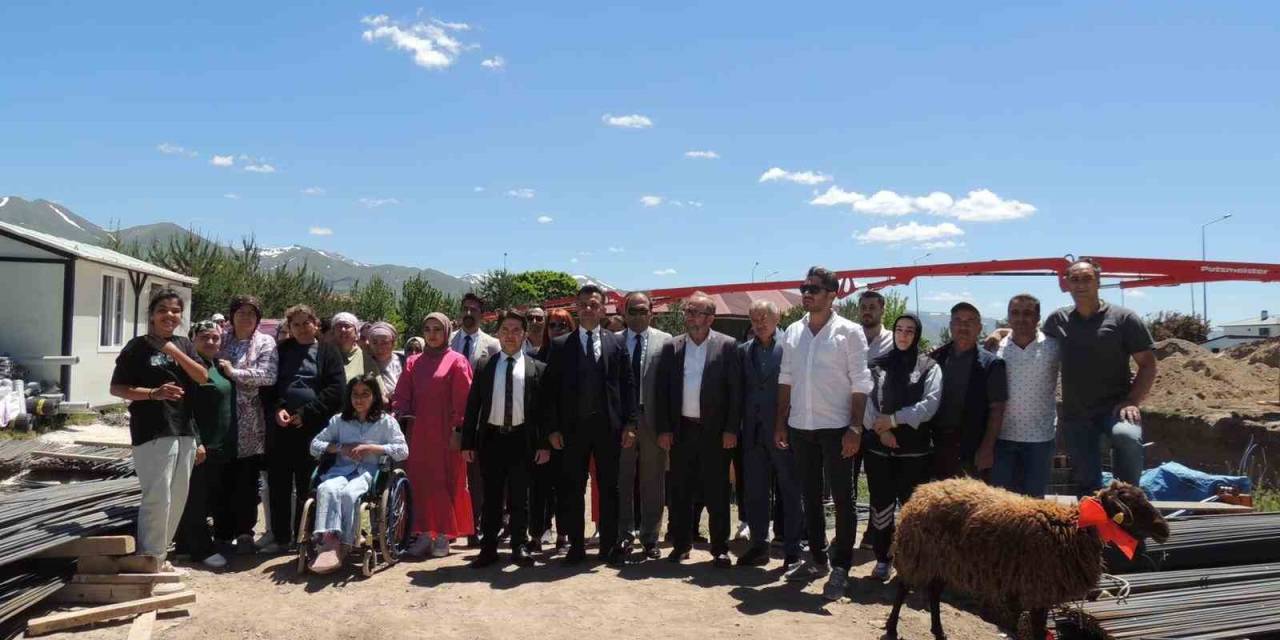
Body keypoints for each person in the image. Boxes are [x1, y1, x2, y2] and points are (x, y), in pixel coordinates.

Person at [774, 266, 871, 600]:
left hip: (838, 428)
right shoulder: (793, 331)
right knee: (810, 497)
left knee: (844, 500)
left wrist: (855, 428)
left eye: (814, 288)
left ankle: (841, 565)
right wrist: (780, 422)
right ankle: (817, 559)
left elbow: (861, 382)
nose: (807, 292)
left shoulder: (850, 332)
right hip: (801, 427)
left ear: (833, 295)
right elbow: (785, 377)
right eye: (804, 287)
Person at [109, 289, 210, 569]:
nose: (170, 315)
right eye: (163, 310)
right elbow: (117, 388)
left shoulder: (184, 345)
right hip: (152, 430)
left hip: (184, 430)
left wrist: (173, 351)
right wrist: (154, 393)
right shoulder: (136, 347)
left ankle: (160, 557)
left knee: (177, 498)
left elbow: (202, 377)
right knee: (157, 497)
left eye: (175, 311)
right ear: (151, 315)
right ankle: (147, 558)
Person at [542, 285, 638, 565]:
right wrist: (552, 429)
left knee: (610, 488)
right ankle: (575, 546)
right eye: (583, 304)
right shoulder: (560, 346)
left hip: (609, 428)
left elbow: (628, 386)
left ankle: (608, 546)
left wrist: (631, 423)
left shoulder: (617, 343)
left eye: (593, 304)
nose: (588, 309)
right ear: (576, 306)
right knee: (571, 488)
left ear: (602, 307)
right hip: (571, 430)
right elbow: (549, 392)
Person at [1044, 259, 1155, 494]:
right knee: (1087, 484)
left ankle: (1128, 496)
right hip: (1077, 414)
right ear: (1067, 284)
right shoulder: (1057, 320)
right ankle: (1094, 523)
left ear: (1098, 282)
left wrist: (1132, 400)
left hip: (1115, 409)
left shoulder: (1124, 319)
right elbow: (1035, 344)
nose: (1080, 284)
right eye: (1074, 279)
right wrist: (1005, 331)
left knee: (1126, 436)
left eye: (1087, 278)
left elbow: (1147, 365)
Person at [654, 292, 742, 568]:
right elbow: (662, 391)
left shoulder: (728, 346)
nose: (692, 318)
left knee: (717, 491)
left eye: (698, 313)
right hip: (682, 430)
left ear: (711, 318)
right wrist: (664, 429)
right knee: (680, 489)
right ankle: (680, 545)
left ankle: (720, 548)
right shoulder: (672, 347)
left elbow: (735, 393)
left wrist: (731, 429)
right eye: (689, 312)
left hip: (715, 432)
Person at [461, 311, 551, 567]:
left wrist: (543, 444)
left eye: (515, 330)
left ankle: (519, 546)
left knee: (520, 497)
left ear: (523, 335)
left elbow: (544, 412)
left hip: (523, 439)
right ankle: (488, 547)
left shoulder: (537, 369)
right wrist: (467, 442)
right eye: (505, 330)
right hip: (492, 439)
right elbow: (473, 406)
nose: (510, 335)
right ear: (498, 334)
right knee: (491, 496)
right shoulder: (484, 366)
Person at [862, 314, 941, 580]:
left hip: (914, 453)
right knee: (881, 505)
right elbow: (866, 402)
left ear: (916, 334)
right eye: (899, 329)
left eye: (909, 331)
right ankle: (883, 558)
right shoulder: (877, 365)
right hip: (879, 450)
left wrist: (895, 419)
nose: (903, 335)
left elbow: (929, 405)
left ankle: (910, 564)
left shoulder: (930, 367)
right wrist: (881, 431)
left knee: (912, 510)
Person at [262, 304, 346, 554]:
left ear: (316, 324)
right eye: (295, 324)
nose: (300, 328)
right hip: (281, 426)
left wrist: (306, 414)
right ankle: (280, 537)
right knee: (278, 483)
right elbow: (269, 384)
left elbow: (336, 389)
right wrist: (277, 408)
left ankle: (304, 535)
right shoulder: (281, 350)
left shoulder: (328, 352)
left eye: (305, 323)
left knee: (307, 482)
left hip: (313, 426)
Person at [307, 373, 409, 573]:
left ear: (374, 396)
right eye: (355, 394)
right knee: (326, 488)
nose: (359, 399)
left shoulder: (386, 422)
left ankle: (346, 541)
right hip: (340, 470)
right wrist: (340, 448)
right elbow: (314, 446)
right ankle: (328, 539)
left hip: (369, 473)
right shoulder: (339, 421)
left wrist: (372, 447)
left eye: (365, 394)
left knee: (349, 494)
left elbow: (403, 450)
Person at [393, 312, 475, 557]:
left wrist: (459, 431)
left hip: (446, 434)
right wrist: (401, 413)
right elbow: (402, 395)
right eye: (427, 329)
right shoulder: (413, 362)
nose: (432, 334)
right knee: (420, 482)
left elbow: (465, 401)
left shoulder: (457, 361)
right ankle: (423, 533)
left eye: (437, 329)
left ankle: (443, 535)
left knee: (446, 482)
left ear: (447, 332)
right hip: (418, 434)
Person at [737, 300, 804, 570]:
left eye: (764, 317)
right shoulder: (743, 352)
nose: (759, 322)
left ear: (778, 318)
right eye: (754, 318)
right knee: (755, 493)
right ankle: (758, 546)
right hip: (753, 434)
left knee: (790, 490)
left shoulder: (793, 348)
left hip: (784, 431)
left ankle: (792, 550)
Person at [215, 295, 277, 555]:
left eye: (252, 313)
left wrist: (234, 373)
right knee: (221, 478)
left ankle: (244, 532)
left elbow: (269, 376)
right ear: (231, 316)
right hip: (221, 420)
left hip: (250, 423)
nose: (246, 317)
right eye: (240, 312)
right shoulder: (221, 339)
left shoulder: (265, 342)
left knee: (246, 479)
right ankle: (221, 532)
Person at [175, 320, 235, 569]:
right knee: (196, 499)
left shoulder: (218, 367)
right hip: (200, 445)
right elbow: (183, 408)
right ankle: (200, 549)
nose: (210, 342)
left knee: (207, 496)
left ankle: (185, 547)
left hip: (220, 445)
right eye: (204, 337)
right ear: (192, 339)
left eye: (215, 338)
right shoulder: (190, 368)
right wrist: (197, 441)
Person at [616, 292, 671, 561]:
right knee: (622, 479)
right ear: (624, 314)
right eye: (632, 311)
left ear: (651, 312)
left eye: (642, 310)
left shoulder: (666, 341)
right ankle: (624, 535)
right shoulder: (613, 342)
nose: (638, 316)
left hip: (654, 421)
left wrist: (667, 426)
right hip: (623, 422)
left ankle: (650, 538)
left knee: (653, 481)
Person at [926, 302, 1008, 481]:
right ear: (950, 326)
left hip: (973, 448)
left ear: (979, 327)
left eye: (970, 321)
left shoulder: (992, 364)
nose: (963, 326)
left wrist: (987, 448)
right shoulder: (934, 358)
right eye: (958, 320)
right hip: (938, 446)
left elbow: (997, 410)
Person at [991, 294, 1060, 498]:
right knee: (1002, 506)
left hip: (1040, 440)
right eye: (1015, 313)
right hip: (1002, 439)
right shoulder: (996, 348)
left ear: (1038, 317)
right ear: (1008, 317)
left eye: (1028, 313)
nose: (1021, 318)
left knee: (1033, 506)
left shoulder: (1054, 347)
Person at [449, 293, 501, 543]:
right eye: (465, 309)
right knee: (452, 472)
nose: (469, 314)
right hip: (453, 418)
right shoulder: (448, 341)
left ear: (482, 315)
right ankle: (451, 525)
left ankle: (476, 526)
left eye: (474, 310)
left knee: (477, 475)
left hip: (481, 418)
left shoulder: (492, 345)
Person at [530, 307, 575, 550]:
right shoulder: (538, 357)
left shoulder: (579, 357)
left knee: (566, 487)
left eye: (563, 325)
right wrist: (545, 437)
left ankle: (563, 535)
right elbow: (538, 402)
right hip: (543, 434)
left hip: (571, 435)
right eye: (553, 325)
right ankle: (536, 534)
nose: (557, 329)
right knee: (539, 488)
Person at [853, 290, 895, 549]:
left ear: (882, 310)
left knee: (880, 485)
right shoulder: (850, 337)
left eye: (872, 307)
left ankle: (876, 535)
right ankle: (846, 532)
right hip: (851, 421)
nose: (867, 311)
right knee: (847, 483)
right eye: (863, 307)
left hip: (880, 424)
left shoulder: (893, 341)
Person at [366, 321, 405, 399]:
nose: (379, 347)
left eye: (384, 343)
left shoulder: (404, 362)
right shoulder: (365, 363)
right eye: (374, 342)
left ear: (393, 343)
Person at [332, 312, 373, 383]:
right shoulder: (323, 355)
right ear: (333, 332)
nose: (343, 329)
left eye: (347, 326)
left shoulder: (365, 360)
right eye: (339, 326)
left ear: (356, 333)